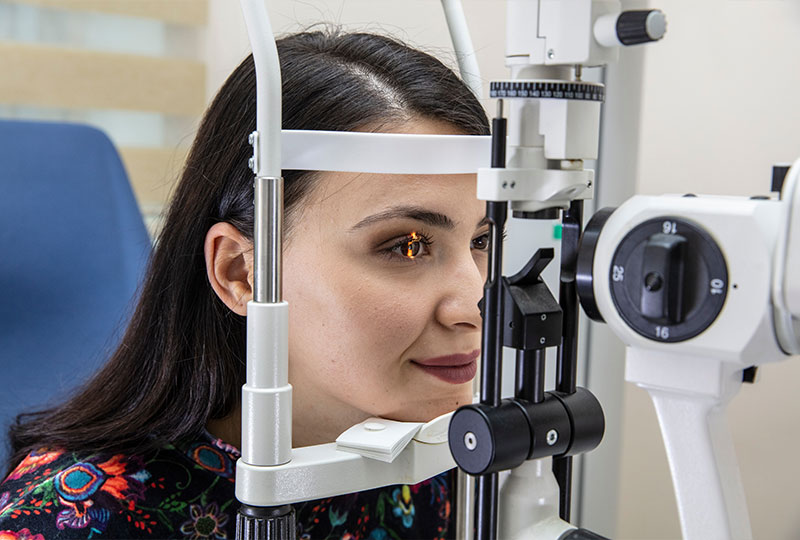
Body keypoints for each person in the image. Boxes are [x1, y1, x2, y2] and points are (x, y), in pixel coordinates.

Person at [0, 29, 490, 539]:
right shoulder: (78, 517)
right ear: (241, 272)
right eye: (405, 246)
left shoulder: (430, 466)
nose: (474, 303)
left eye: (479, 241)